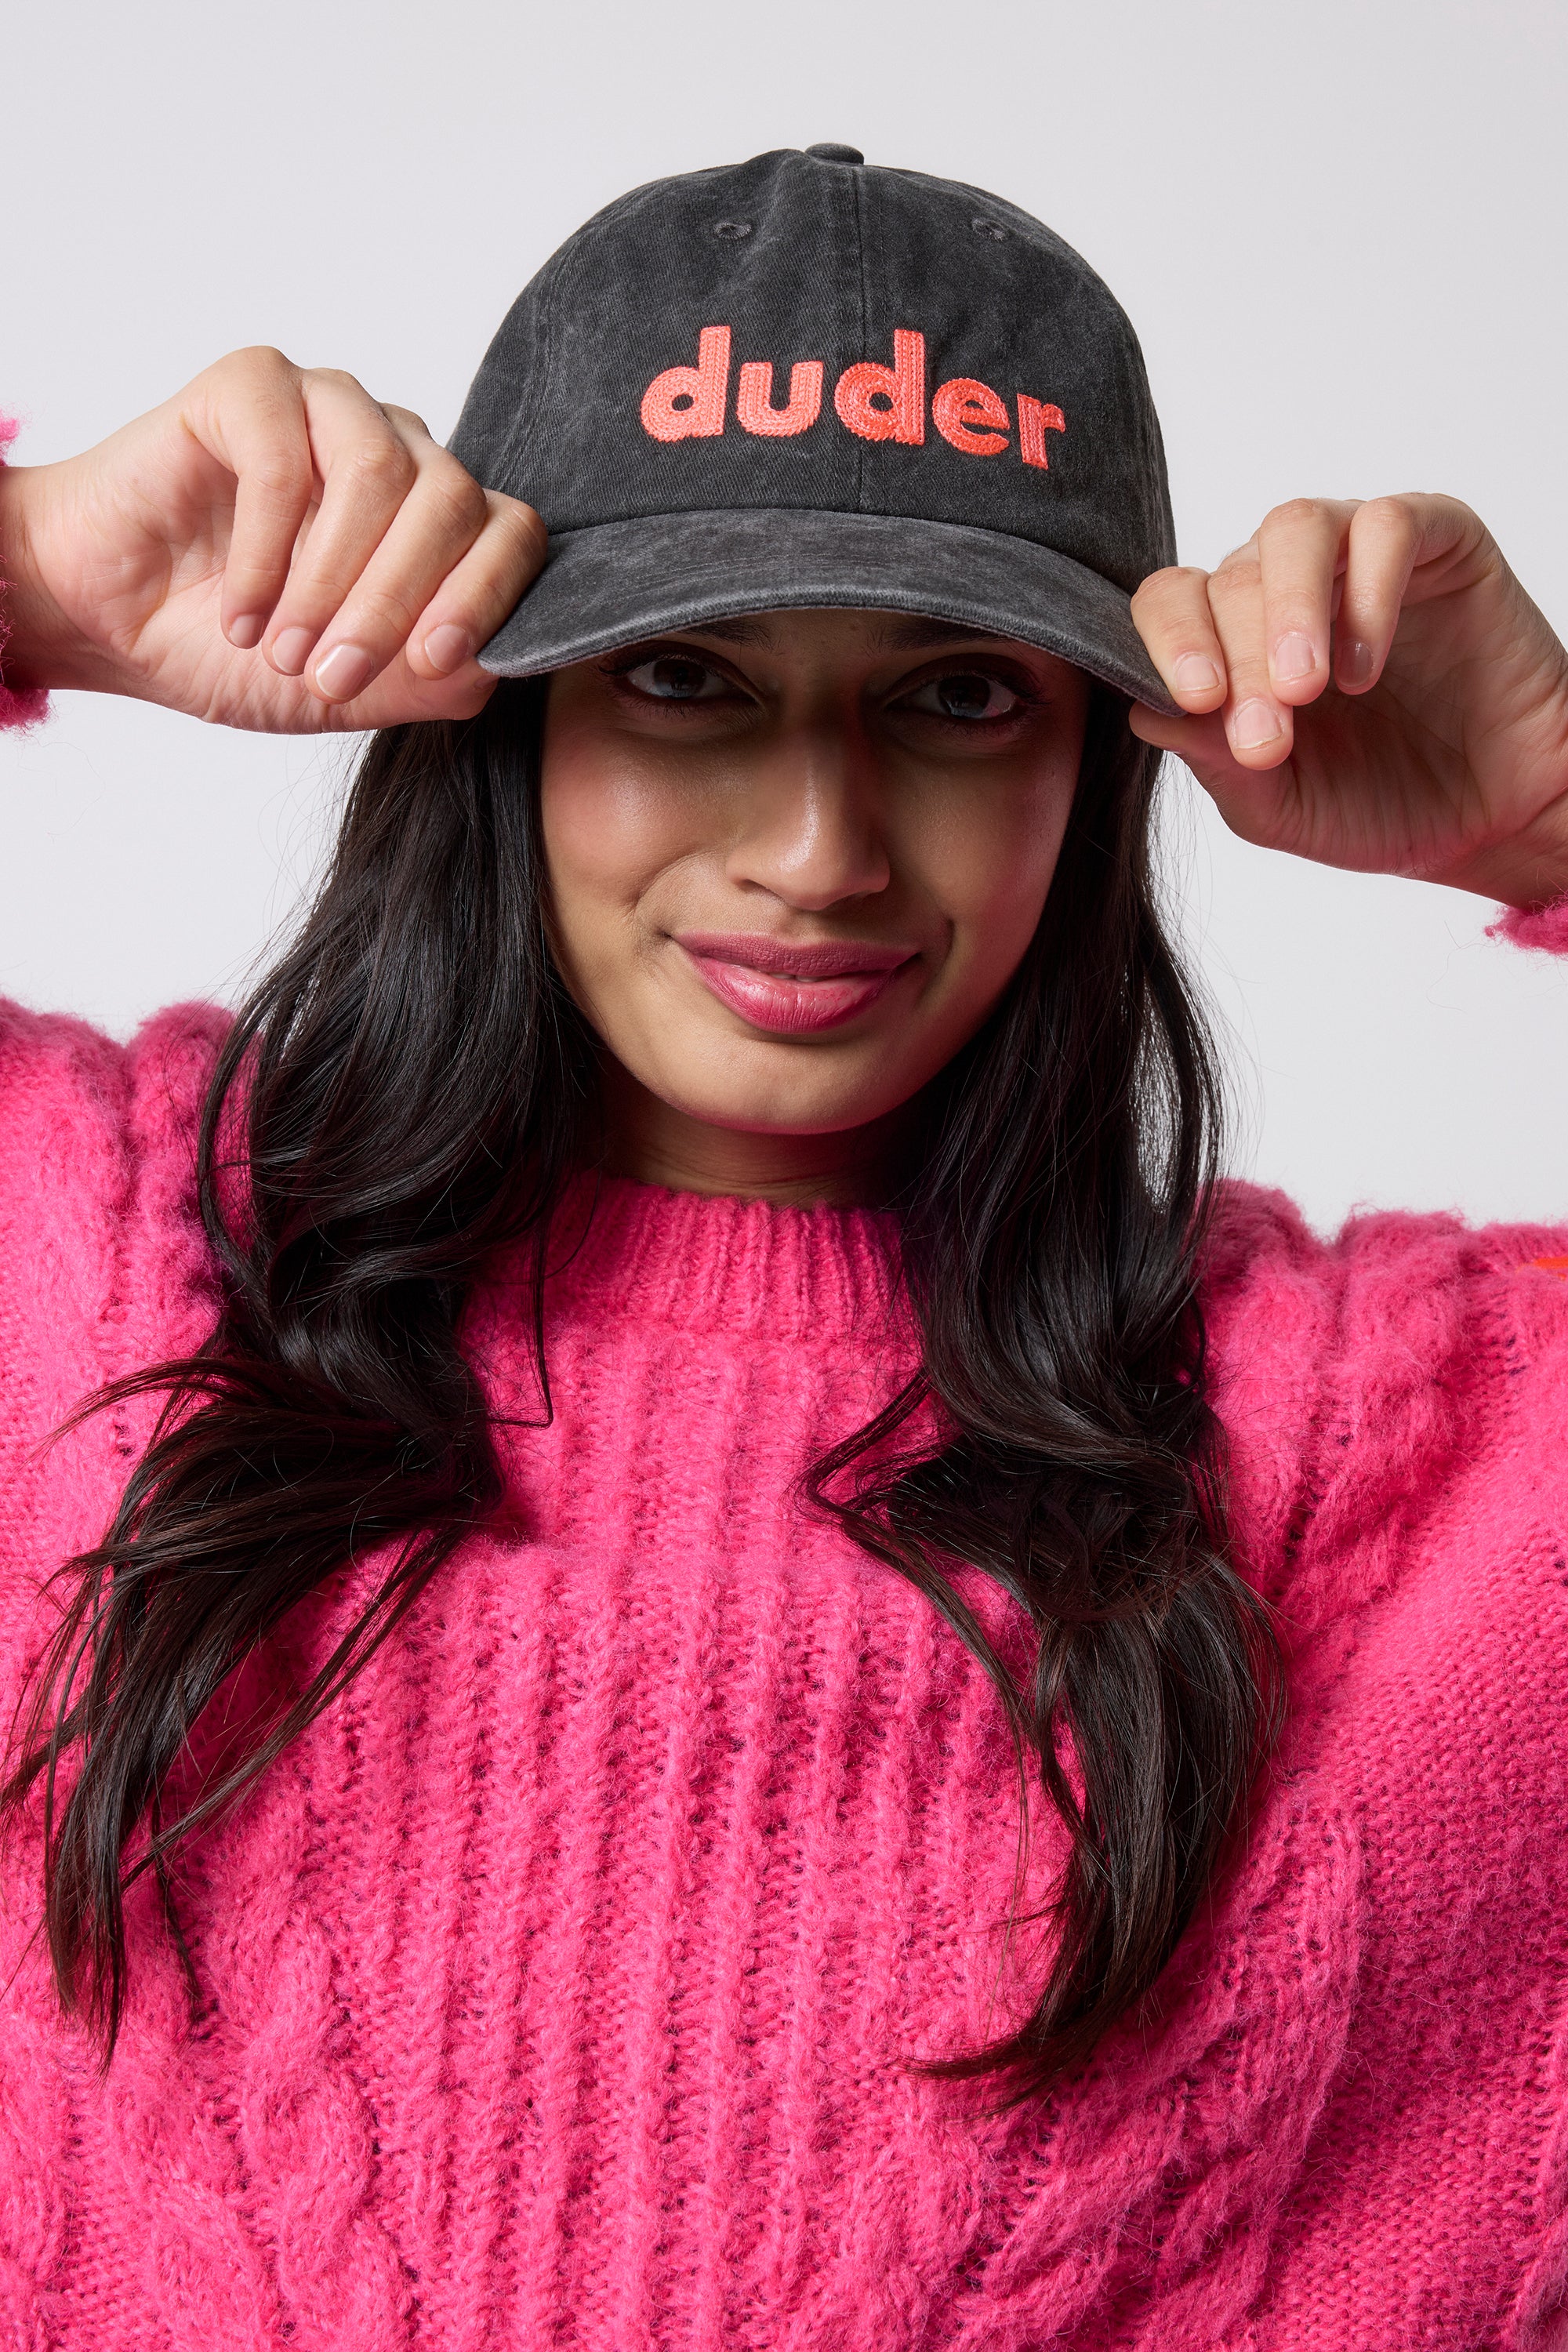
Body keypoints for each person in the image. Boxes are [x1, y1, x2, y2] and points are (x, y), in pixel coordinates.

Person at [0, 142, 1564, 2349]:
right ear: (502, 716)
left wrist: (1562, 804)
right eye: (683, 677)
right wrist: (27, 571)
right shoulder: (90, 1271)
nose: (821, 849)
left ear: (1104, 762)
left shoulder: (1400, 1459)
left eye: (961, 694)